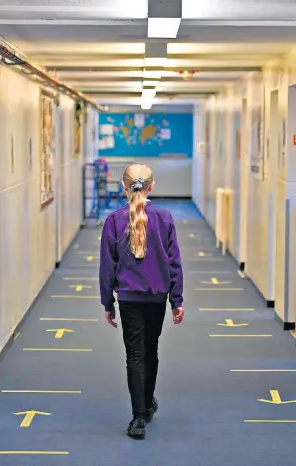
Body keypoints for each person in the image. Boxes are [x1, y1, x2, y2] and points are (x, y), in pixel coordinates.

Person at [99, 163, 185, 439]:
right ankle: (147, 404)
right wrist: (176, 300)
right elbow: (174, 263)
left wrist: (107, 302)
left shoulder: (114, 220)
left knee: (134, 354)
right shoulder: (165, 217)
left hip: (128, 297)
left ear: (123, 187)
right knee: (151, 349)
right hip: (157, 295)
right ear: (152, 186)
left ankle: (138, 417)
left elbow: (107, 266)